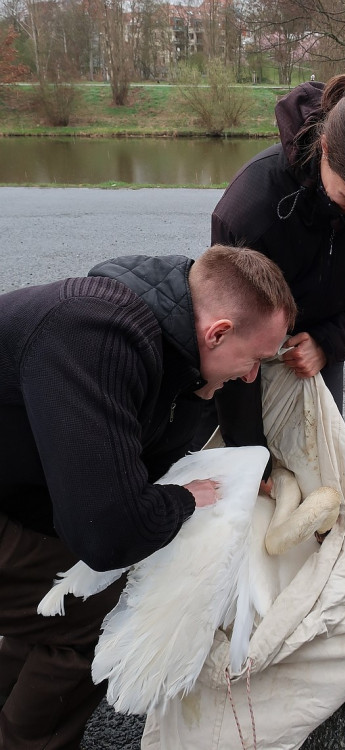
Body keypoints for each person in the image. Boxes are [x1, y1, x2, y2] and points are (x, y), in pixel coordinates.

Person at [0, 245, 297, 750]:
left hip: (20, 490)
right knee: (98, 603)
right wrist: (181, 501)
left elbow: (138, 463)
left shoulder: (164, 331)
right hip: (15, 503)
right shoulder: (95, 336)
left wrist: (199, 400)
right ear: (218, 332)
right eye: (256, 361)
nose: (252, 377)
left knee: (59, 588)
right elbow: (108, 533)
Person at [205, 71, 345, 698]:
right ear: (325, 150)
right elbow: (226, 335)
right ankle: (236, 620)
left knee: (322, 484)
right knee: (249, 476)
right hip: (246, 349)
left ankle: (326, 626)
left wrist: (329, 340)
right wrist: (253, 447)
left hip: (316, 347)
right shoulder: (249, 208)